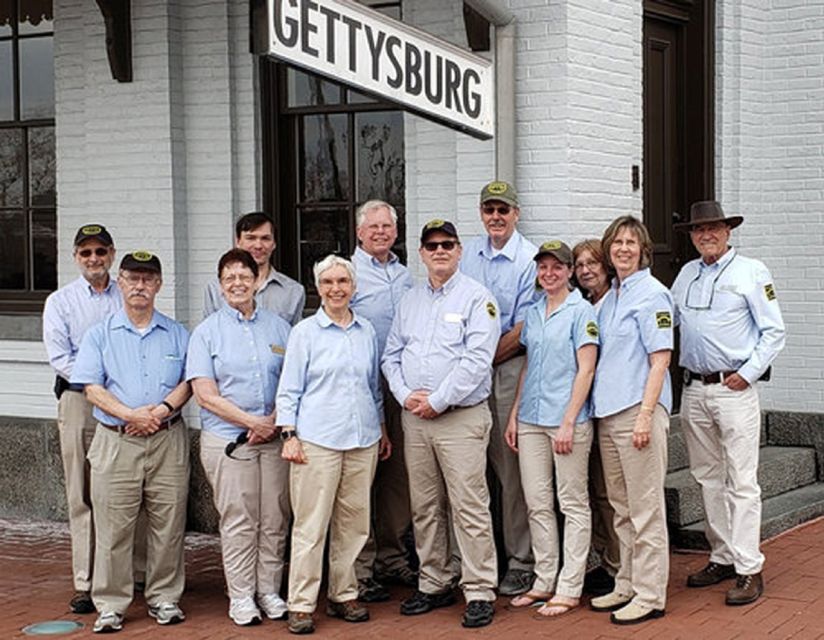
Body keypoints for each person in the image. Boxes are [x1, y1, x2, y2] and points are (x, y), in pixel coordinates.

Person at [383, 219, 501, 629]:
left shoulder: (477, 299)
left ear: (458, 250)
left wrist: (437, 399)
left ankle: (480, 588)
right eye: (431, 245)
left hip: (460, 418)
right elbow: (391, 355)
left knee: (469, 505)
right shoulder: (410, 300)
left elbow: (476, 361)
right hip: (415, 419)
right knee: (426, 506)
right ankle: (434, 581)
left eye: (447, 244)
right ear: (421, 252)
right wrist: (404, 395)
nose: (439, 251)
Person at [671, 201, 785, 606]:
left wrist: (748, 373)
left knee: (742, 480)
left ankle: (749, 567)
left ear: (727, 231)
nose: (706, 235)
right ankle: (721, 556)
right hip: (694, 391)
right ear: (692, 235)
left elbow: (774, 331)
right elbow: (668, 321)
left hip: (734, 389)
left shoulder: (751, 271)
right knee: (706, 477)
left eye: (713, 228)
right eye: (698, 230)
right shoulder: (685, 274)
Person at [72, 251, 191, 634]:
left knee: (168, 523)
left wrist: (157, 412)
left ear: (158, 285)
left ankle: (164, 597)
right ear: (120, 283)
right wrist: (131, 415)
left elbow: (190, 382)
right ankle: (110, 604)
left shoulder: (178, 333)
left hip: (167, 438)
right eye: (132, 279)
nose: (140, 286)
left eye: (148, 279)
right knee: (113, 527)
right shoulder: (100, 334)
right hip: (116, 440)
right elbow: (91, 387)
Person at [276, 255, 390, 635]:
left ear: (353, 287)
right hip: (317, 441)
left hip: (362, 440)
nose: (336, 288)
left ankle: (344, 593)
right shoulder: (305, 333)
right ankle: (302, 603)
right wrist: (289, 435)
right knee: (311, 526)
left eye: (343, 281)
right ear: (318, 287)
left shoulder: (367, 331)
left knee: (354, 524)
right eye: (328, 282)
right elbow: (288, 389)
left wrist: (382, 428)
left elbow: (373, 388)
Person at [42, 224, 146, 614]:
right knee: (82, 493)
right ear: (75, 258)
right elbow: (61, 357)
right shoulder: (61, 302)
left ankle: (135, 572)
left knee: (130, 488)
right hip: (80, 401)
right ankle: (86, 582)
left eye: (100, 252)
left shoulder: (129, 294)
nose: (93, 260)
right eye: (85, 253)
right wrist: (99, 387)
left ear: (112, 254)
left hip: (128, 404)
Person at [187, 249, 292, 625]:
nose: (237, 283)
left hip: (274, 439)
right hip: (231, 442)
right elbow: (205, 394)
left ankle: (269, 590)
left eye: (244, 276)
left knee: (275, 518)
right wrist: (253, 421)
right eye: (229, 277)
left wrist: (274, 420)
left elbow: (294, 382)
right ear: (220, 284)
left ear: (256, 281)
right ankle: (242, 595)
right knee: (239, 520)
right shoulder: (206, 332)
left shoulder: (280, 328)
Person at [504, 240, 598, 617]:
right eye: (543, 268)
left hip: (566, 421)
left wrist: (568, 421)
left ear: (570, 271)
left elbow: (587, 369)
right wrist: (514, 414)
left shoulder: (582, 312)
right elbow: (529, 366)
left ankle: (570, 585)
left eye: (557, 267)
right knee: (538, 502)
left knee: (572, 503)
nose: (549, 274)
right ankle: (544, 580)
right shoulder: (534, 310)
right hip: (530, 418)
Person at [589, 216, 673, 625]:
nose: (623, 248)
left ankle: (650, 593)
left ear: (643, 250)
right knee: (621, 508)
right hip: (609, 414)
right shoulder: (611, 297)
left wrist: (645, 416)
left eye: (631, 242)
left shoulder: (653, 295)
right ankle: (626, 581)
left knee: (645, 509)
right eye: (617, 242)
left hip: (637, 413)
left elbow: (660, 361)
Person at [460, 181, 537, 595]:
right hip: (465, 375)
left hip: (506, 368)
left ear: (516, 213)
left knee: (510, 470)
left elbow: (525, 326)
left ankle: (521, 560)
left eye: (503, 210)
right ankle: (475, 559)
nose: (496, 217)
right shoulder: (467, 253)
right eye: (489, 209)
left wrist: (480, 361)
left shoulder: (528, 258)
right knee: (470, 469)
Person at [350, 200, 416, 602]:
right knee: (362, 479)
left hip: (400, 386)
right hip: (361, 386)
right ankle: (362, 565)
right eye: (372, 226)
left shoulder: (406, 276)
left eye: (387, 226)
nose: (380, 232)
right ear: (359, 232)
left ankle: (392, 556)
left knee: (398, 480)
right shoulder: (347, 273)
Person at [572, 239, 621, 595]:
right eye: (580, 264)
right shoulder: (581, 305)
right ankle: (605, 561)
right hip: (584, 412)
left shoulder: (617, 302)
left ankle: (620, 565)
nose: (586, 270)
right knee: (592, 491)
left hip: (611, 409)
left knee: (609, 493)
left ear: (606, 266)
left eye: (593, 263)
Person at [203, 212, 305, 325]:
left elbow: (295, 339)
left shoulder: (293, 291)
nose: (258, 246)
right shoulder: (215, 289)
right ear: (238, 242)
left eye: (265, 238)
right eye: (250, 238)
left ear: (274, 243)